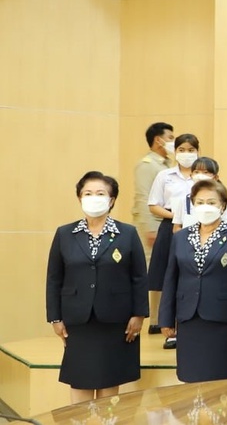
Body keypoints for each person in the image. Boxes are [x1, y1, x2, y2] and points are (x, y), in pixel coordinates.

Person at [46, 171, 148, 403]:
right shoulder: (65, 234)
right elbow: (54, 279)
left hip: (116, 320)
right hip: (78, 320)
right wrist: (55, 317)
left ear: (111, 200)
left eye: (100, 193)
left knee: (109, 388)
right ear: (80, 198)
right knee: (79, 381)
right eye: (88, 193)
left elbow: (139, 277)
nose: (94, 197)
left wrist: (139, 314)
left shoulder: (127, 233)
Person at [159, 179, 227, 383]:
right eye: (200, 201)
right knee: (191, 376)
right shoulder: (180, 237)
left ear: (223, 205)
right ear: (193, 204)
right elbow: (171, 279)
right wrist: (166, 319)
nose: (206, 206)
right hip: (189, 319)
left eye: (212, 202)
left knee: (222, 378)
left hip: (223, 319)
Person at [145, 133, 200, 349]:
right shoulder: (165, 176)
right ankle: (170, 330)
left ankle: (190, 328)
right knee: (170, 278)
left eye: (191, 150)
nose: (186, 154)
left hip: (200, 229)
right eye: (182, 150)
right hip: (171, 228)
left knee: (192, 278)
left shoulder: (203, 174)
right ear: (175, 152)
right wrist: (177, 216)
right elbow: (153, 205)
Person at [133, 122, 172, 274]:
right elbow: (143, 198)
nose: (172, 142)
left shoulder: (167, 164)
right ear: (158, 140)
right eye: (170, 137)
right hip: (152, 225)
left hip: (165, 223)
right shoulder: (147, 165)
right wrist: (149, 229)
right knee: (151, 268)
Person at [170, 157, 227, 231]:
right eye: (196, 172)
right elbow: (176, 227)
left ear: (215, 177)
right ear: (191, 176)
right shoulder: (184, 200)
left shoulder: (221, 200)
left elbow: (226, 225)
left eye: (205, 172)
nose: (200, 175)